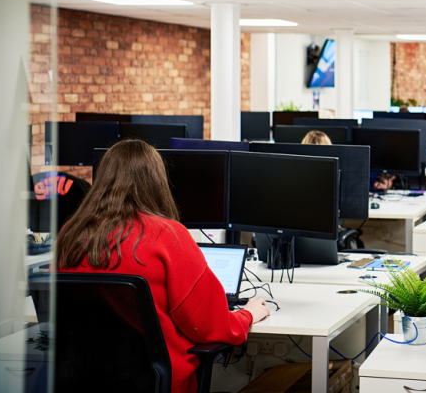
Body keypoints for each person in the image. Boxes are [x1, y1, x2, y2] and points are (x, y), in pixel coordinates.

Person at [55, 139, 269, 393]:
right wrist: (248, 314)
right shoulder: (167, 236)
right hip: (154, 384)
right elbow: (210, 326)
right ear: (157, 181)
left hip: (77, 381)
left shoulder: (70, 234)